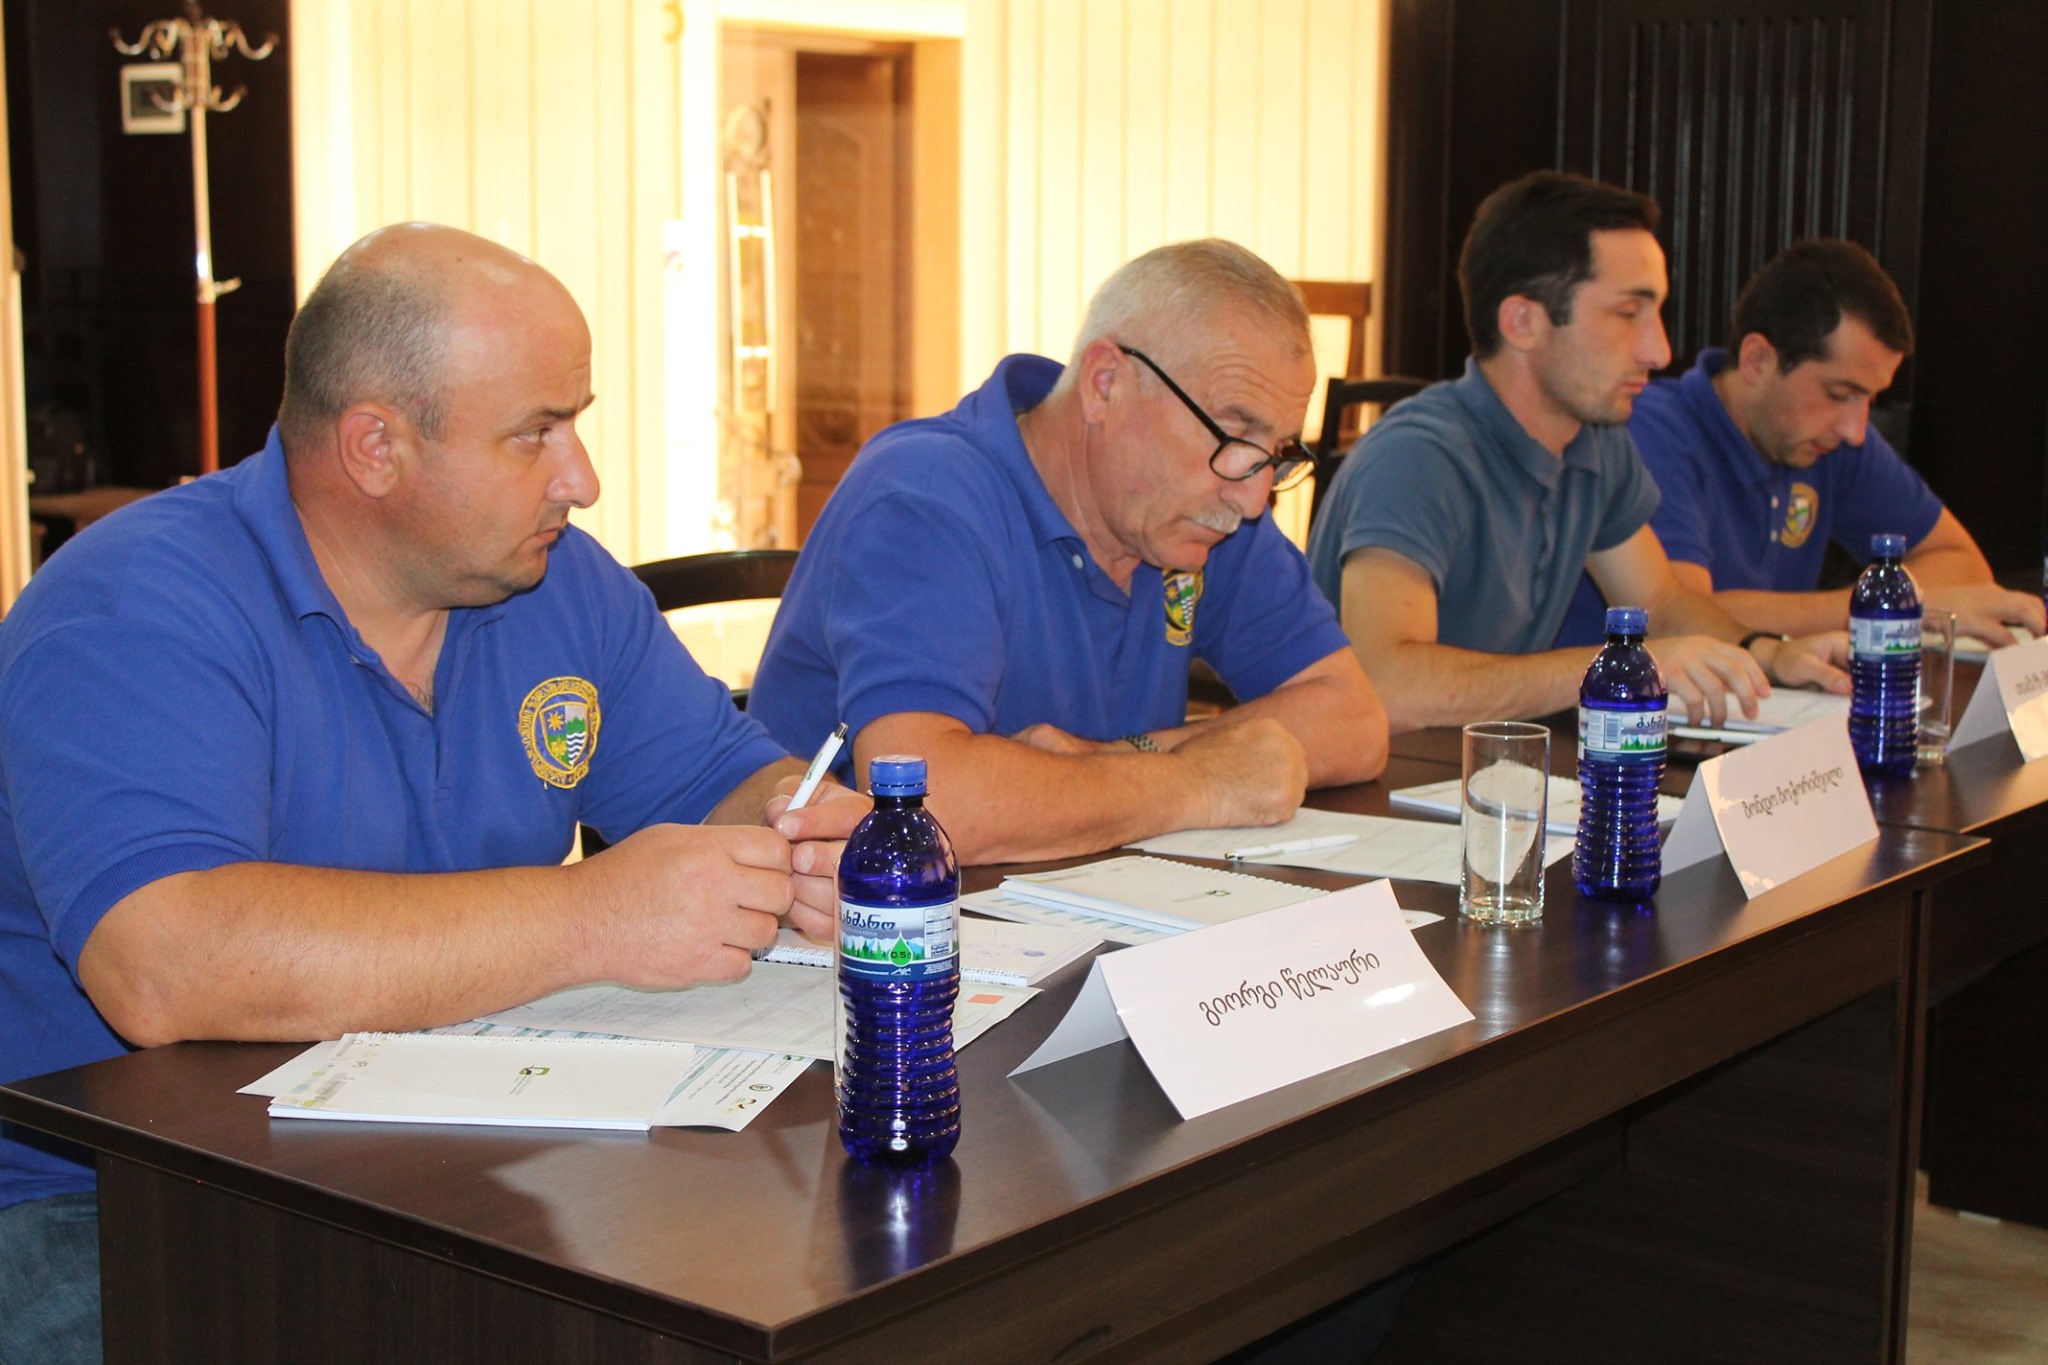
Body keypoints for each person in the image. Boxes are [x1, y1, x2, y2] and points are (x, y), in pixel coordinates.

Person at [0, 224, 863, 1364]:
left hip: (448, 1159)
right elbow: (162, 964)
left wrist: (805, 827)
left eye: (576, 423)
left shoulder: (554, 586)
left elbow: (723, 783)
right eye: (534, 435)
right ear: (376, 448)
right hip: (98, 1201)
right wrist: (598, 913)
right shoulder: (135, 608)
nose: (583, 479)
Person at [749, 239, 1388, 865]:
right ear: (1105, 383)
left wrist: (1125, 756)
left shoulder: (1206, 507)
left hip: (1076, 906)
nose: (1251, 499)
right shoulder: (925, 493)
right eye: (1234, 434)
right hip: (840, 918)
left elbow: (1354, 721)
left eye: (1276, 453)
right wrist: (1200, 781)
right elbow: (929, 804)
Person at [1305, 171, 1847, 733]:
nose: (1660, 350)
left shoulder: (1594, 442)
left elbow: (1661, 604)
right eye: (1628, 313)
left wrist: (1768, 653)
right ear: (1523, 322)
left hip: (1483, 771)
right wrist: (1611, 667)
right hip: (1382, 778)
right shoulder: (1417, 457)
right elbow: (1388, 685)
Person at [1553, 238, 2044, 646]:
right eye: (1839, 394)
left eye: (1870, 399)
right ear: (1758, 359)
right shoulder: (1649, 429)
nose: (1856, 428)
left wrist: (1898, 602)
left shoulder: (1832, 439)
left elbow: (1965, 567)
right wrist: (1892, 605)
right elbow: (1685, 618)